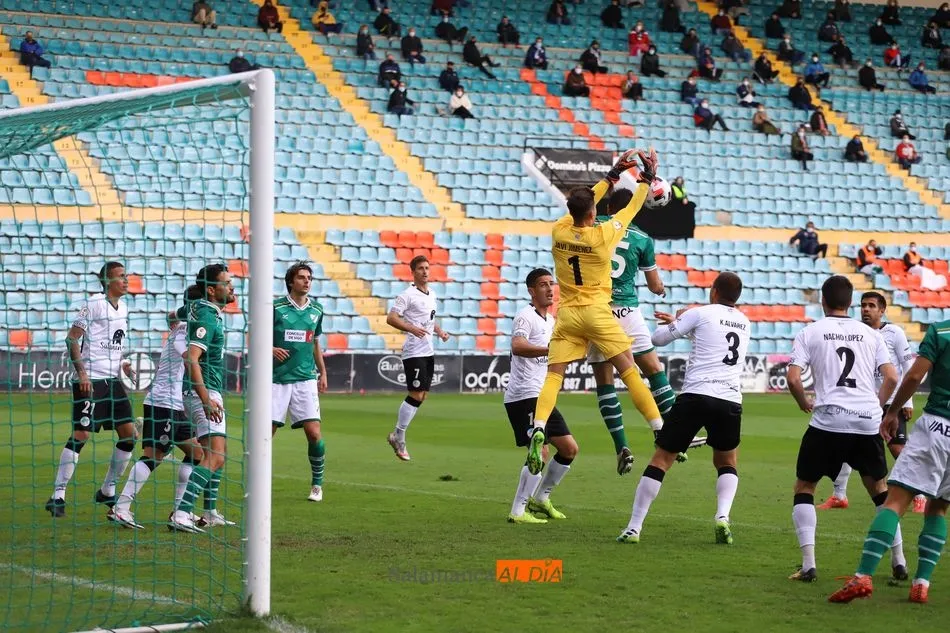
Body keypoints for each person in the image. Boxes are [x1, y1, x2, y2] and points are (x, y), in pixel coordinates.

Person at [524, 150, 665, 480]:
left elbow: (585, 201)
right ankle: (659, 427)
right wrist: (645, 177)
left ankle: (539, 426)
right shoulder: (603, 234)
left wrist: (611, 176)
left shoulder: (559, 230)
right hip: (598, 313)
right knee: (628, 370)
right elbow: (631, 208)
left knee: (554, 376)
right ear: (593, 213)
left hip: (567, 315)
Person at [618, 273, 749, 545]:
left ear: (714, 291)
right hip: (729, 399)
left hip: (696, 396)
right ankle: (723, 517)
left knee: (661, 460)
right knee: (727, 462)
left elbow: (657, 339)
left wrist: (679, 321)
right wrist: (684, 325)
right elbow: (714, 341)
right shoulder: (744, 321)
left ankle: (634, 527)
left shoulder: (699, 313)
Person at [786, 275, 902, 583]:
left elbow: (794, 378)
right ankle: (899, 561)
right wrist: (876, 406)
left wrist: (803, 402)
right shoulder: (871, 334)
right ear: (850, 303)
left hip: (828, 421)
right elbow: (892, 378)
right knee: (881, 492)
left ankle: (809, 565)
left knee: (805, 487)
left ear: (822, 300)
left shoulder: (810, 331)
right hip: (866, 421)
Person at [829, 314, 950, 604]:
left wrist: (893, 411)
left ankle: (863, 576)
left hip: (937, 426)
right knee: (939, 508)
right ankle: (921, 584)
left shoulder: (941, 331)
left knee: (894, 502)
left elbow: (914, 376)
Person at [587, 188, 692, 476]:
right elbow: (654, 285)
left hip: (597, 310)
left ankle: (621, 445)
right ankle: (676, 436)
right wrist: (661, 289)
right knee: (654, 370)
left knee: (605, 381)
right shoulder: (642, 238)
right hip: (628, 312)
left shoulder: (595, 226)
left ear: (609, 207)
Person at [45, 262, 135, 519]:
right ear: (107, 281)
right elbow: (72, 338)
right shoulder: (93, 303)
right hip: (90, 379)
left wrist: (123, 364)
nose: (126, 280)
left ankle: (107, 491)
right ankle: (58, 495)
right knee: (82, 433)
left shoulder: (124, 308)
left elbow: (114, 343)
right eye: (121, 277)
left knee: (129, 435)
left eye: (126, 276)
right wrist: (82, 373)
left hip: (112, 381)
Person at [109, 288, 205, 529]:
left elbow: (171, 317)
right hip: (164, 403)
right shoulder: (184, 333)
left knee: (197, 453)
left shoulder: (183, 327)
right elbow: (190, 360)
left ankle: (180, 511)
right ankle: (121, 508)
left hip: (172, 404)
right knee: (155, 456)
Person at [821, 293, 921, 513]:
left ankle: (920, 494)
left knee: (896, 447)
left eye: (871, 306)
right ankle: (839, 495)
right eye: (863, 305)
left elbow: (908, 367)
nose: (866, 309)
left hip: (892, 401)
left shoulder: (894, 333)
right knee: (848, 442)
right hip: (864, 400)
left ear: (882, 310)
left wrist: (908, 401)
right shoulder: (858, 332)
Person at [168, 264, 238, 532]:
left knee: (219, 453)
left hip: (202, 390)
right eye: (226, 283)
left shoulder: (199, 308)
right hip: (203, 392)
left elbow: (175, 314)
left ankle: (209, 513)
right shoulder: (207, 316)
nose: (231, 287)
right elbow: (191, 359)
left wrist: (173, 319)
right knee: (215, 456)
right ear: (211, 290)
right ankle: (181, 513)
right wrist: (206, 398)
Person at [504, 269, 575, 524]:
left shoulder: (550, 321)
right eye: (543, 285)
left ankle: (541, 498)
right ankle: (518, 511)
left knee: (569, 449)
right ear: (532, 291)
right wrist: (549, 350)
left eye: (551, 284)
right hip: (524, 396)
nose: (549, 289)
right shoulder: (525, 316)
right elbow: (517, 345)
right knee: (540, 452)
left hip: (541, 397)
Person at [271, 264, 328, 503]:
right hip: (276, 379)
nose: (307, 281)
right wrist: (270, 348)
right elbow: (254, 336)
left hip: (305, 378)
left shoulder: (317, 310)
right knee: (266, 434)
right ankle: (257, 483)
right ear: (291, 282)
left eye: (309, 278)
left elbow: (315, 342)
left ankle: (317, 485)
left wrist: (322, 372)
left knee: (314, 433)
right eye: (302, 277)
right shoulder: (275, 308)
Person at [386, 256, 450, 461]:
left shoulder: (432, 294)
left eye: (427, 268)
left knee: (422, 395)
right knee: (415, 393)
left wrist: (439, 331)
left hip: (428, 350)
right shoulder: (407, 295)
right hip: (414, 351)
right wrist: (411, 328)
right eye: (420, 268)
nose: (425, 271)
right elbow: (391, 318)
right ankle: (398, 436)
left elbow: (429, 320)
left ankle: (397, 435)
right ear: (413, 272)